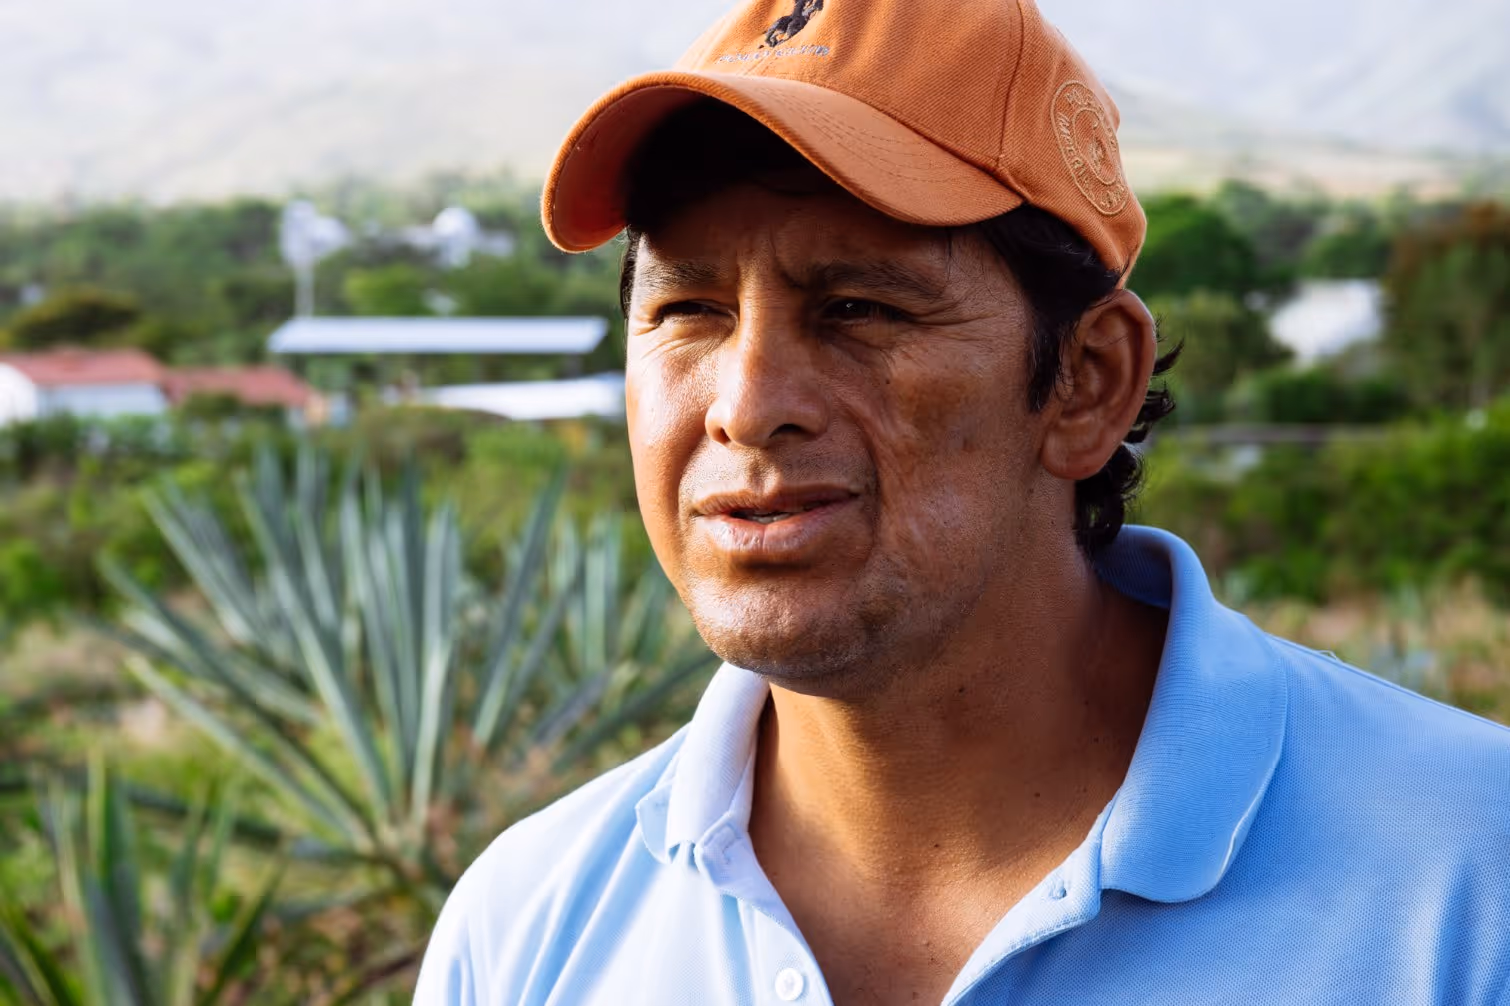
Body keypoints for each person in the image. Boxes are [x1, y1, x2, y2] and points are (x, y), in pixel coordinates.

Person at [414, 0, 1510, 1002]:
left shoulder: (1467, 883)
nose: (746, 407)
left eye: (855, 308)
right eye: (688, 310)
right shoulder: (530, 929)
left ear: (1085, 382)